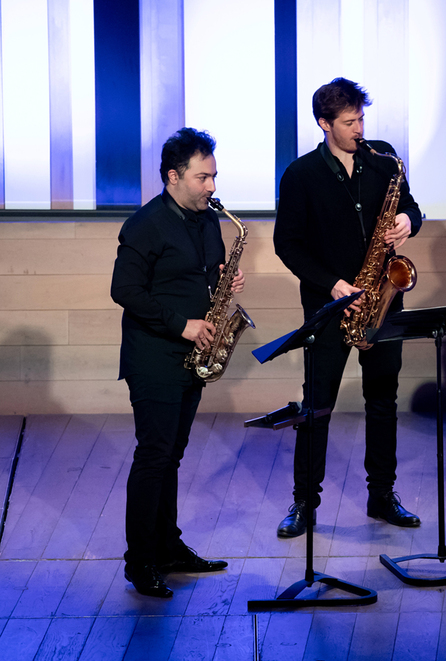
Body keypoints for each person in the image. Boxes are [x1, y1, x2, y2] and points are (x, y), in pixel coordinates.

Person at [272, 78, 422, 538]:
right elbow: (287, 245)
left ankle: (382, 495)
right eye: (350, 122)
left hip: (383, 299)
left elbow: (413, 209)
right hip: (329, 304)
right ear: (324, 123)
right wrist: (332, 283)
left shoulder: (382, 160)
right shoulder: (300, 175)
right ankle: (304, 503)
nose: (360, 129)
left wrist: (406, 222)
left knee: (383, 402)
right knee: (316, 406)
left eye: (361, 119)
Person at [111, 128, 243, 598]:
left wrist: (226, 279)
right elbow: (124, 291)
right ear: (173, 176)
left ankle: (167, 546)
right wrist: (181, 324)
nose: (211, 186)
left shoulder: (207, 219)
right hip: (155, 356)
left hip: (192, 357)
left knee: (172, 456)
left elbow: (205, 271)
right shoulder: (145, 225)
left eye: (213, 176)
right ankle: (139, 562)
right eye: (202, 177)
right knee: (154, 457)